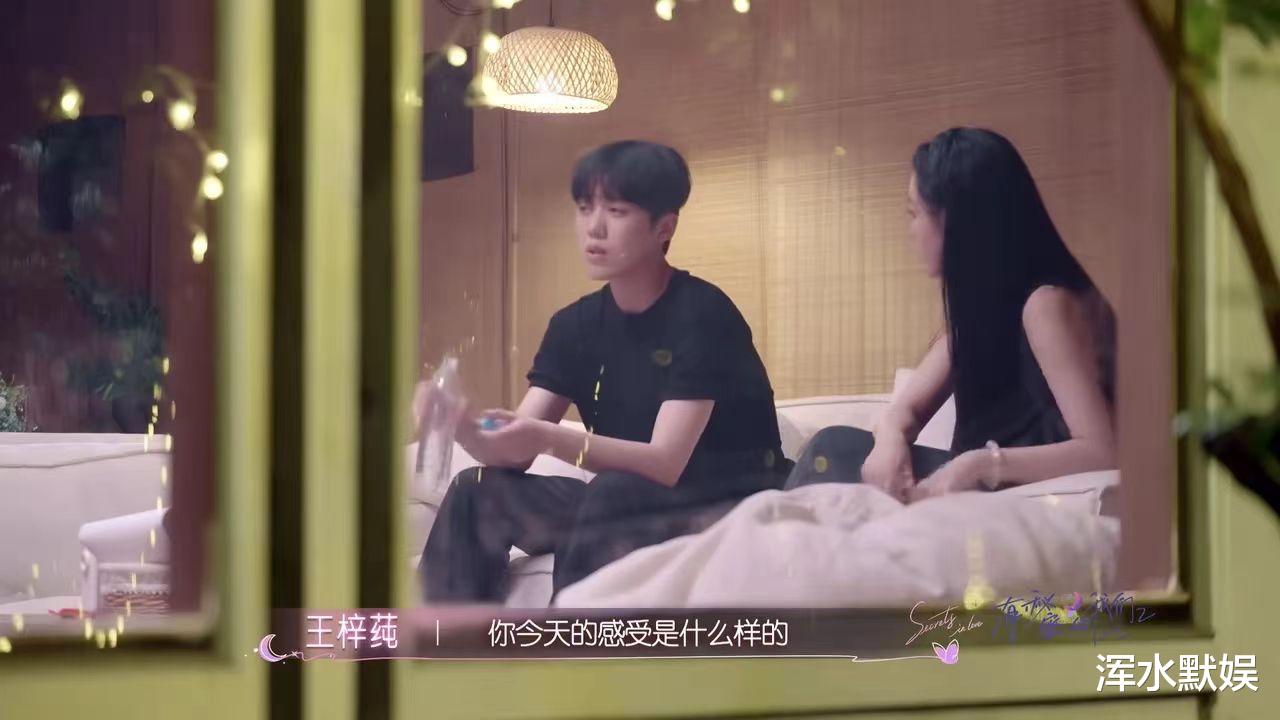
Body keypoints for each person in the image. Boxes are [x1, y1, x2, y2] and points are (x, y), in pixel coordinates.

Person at [416, 140, 790, 603]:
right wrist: (462, 425)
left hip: (729, 503)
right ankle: (438, 639)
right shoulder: (573, 325)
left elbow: (665, 464)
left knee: (613, 492)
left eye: (616, 210)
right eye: (584, 208)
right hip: (626, 505)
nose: (594, 227)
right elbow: (516, 449)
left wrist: (545, 437)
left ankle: (569, 645)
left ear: (664, 227)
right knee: (476, 489)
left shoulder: (702, 313)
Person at [784, 127, 1117, 502]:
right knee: (836, 449)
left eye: (915, 213)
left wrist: (979, 465)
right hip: (972, 491)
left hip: (1025, 495)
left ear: (958, 222)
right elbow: (905, 410)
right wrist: (891, 438)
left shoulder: (1046, 305)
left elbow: (1103, 450)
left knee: (833, 451)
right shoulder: (980, 316)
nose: (911, 231)